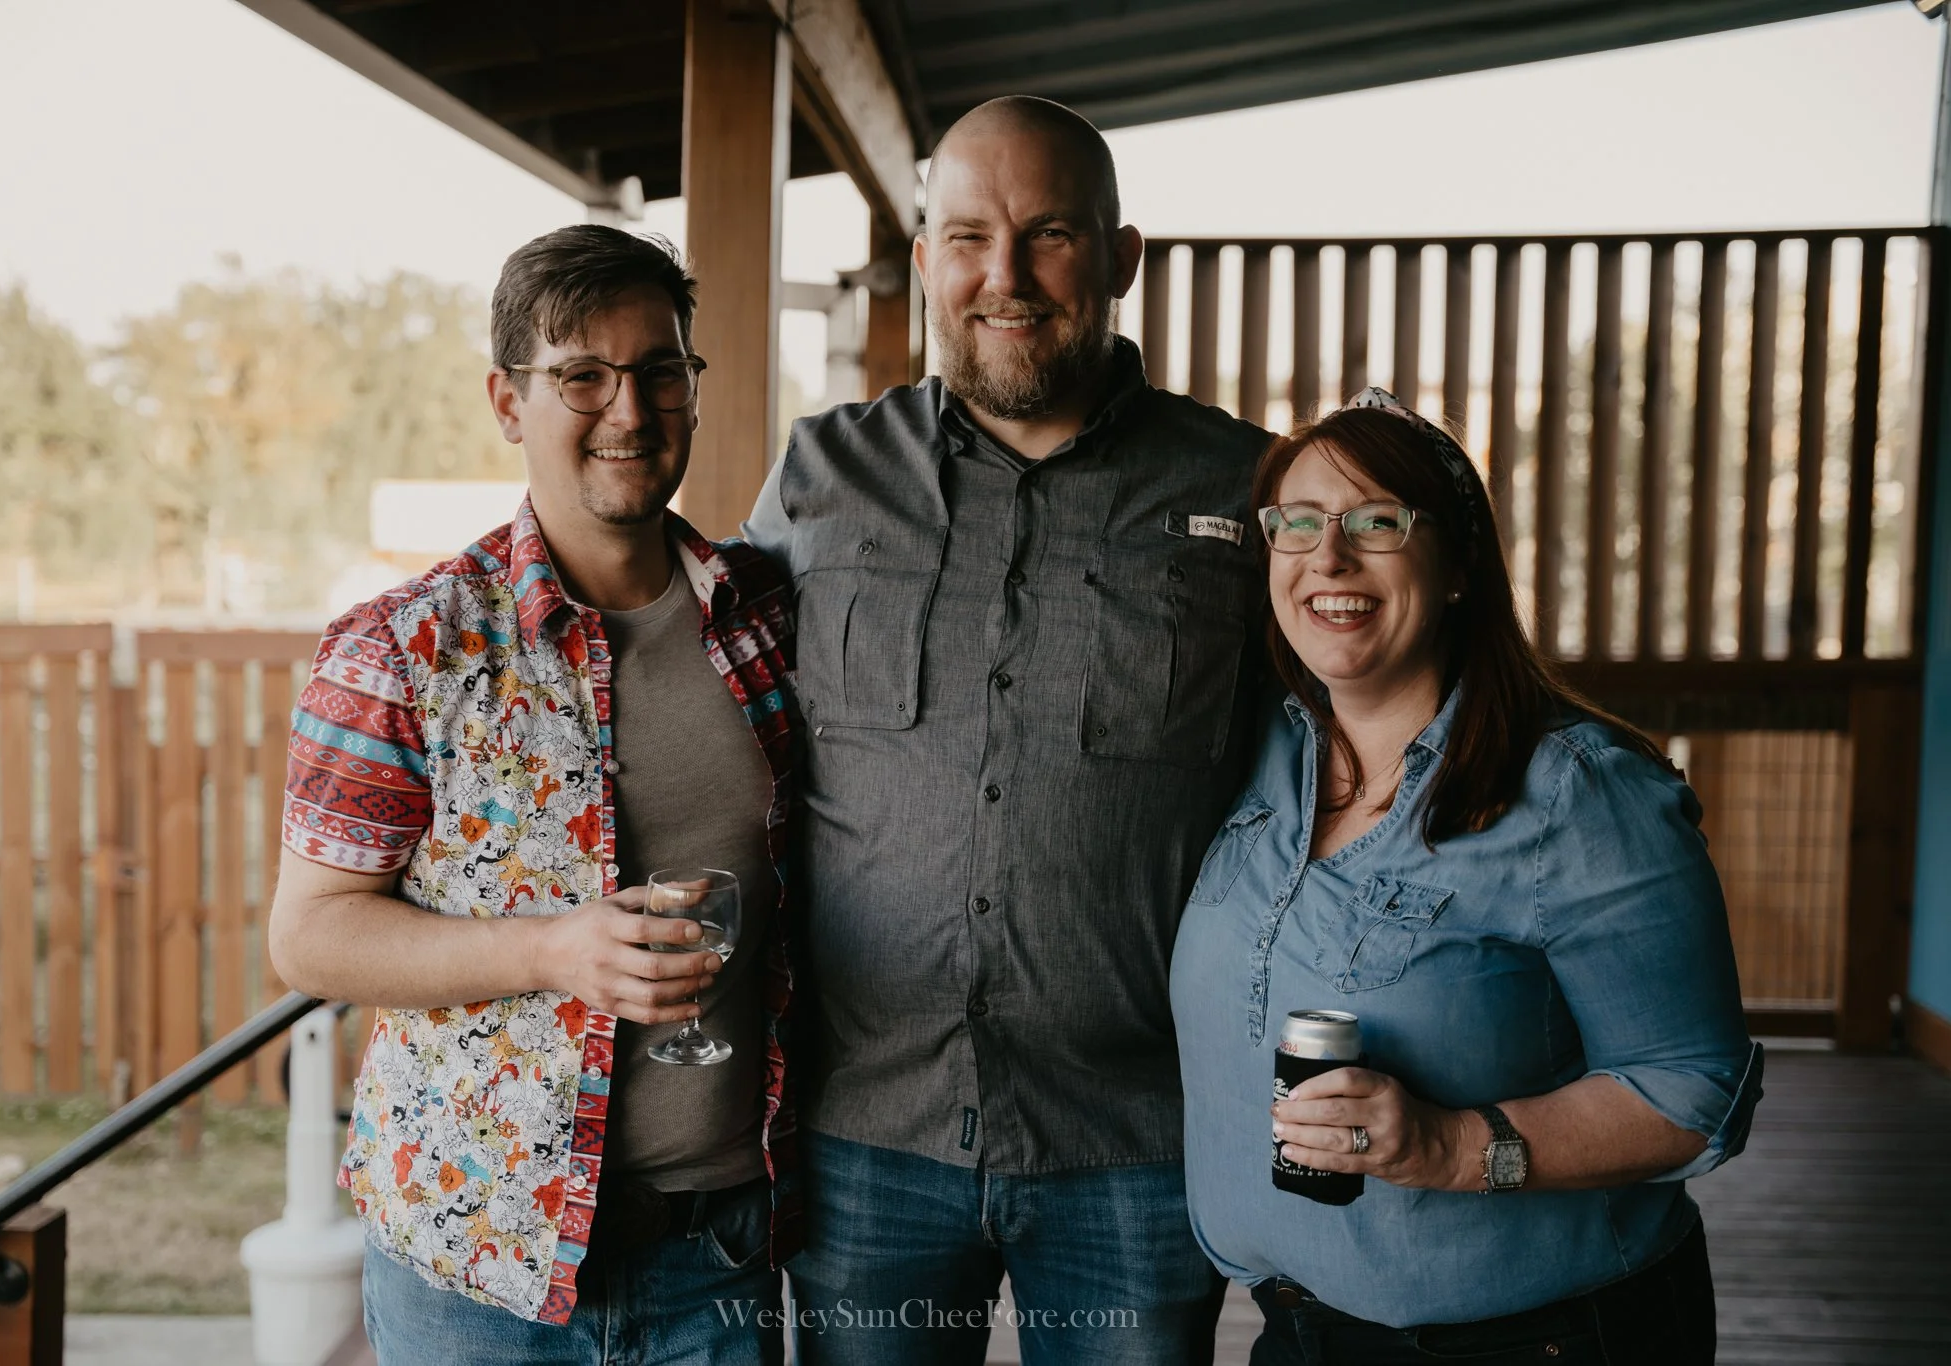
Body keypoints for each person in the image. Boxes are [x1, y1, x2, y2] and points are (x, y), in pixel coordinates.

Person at [744, 96, 1267, 1365]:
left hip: (1134, 1142)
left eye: (1048, 236)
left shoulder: (1244, 487)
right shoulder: (818, 479)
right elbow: (709, 724)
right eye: (968, 237)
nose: (1005, 277)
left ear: (1120, 257)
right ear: (925, 262)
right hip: (868, 1131)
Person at [267, 225, 800, 1366]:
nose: (629, 408)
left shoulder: (769, 616)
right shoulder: (401, 646)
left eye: (661, 369)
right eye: (581, 376)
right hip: (480, 1267)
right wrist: (554, 950)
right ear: (509, 401)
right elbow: (309, 936)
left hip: (717, 1249)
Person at [1170, 389, 1762, 1365]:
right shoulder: (1261, 753)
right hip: (1299, 1325)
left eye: (1375, 521)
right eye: (1298, 523)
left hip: (1544, 1339)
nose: (1328, 557)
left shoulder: (1581, 794)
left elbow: (1689, 1093)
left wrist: (1443, 1145)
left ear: (1454, 567)